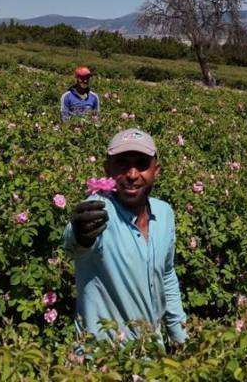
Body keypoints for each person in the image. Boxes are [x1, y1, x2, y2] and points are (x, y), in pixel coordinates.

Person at [63, 128, 187, 345]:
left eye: (141, 164)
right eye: (122, 164)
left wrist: (180, 338)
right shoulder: (98, 211)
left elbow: (166, 275)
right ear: (107, 169)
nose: (132, 174)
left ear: (155, 170)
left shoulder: (165, 213)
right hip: (102, 361)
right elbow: (75, 242)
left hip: (151, 355)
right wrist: (80, 233)